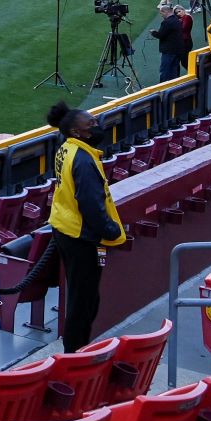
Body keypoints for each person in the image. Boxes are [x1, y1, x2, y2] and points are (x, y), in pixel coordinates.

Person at [46, 100, 128, 353]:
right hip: (80, 236)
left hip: (65, 229)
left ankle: (76, 349)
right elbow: (90, 203)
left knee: (83, 297)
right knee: (84, 302)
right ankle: (74, 355)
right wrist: (111, 230)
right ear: (76, 132)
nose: (97, 125)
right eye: (90, 123)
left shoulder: (68, 148)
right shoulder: (82, 159)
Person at [150, 3, 191, 83]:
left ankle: (163, 89)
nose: (161, 15)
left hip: (169, 51)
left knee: (165, 71)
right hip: (177, 50)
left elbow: (160, 35)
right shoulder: (177, 20)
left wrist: (153, 32)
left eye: (161, 13)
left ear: (165, 12)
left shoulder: (167, 22)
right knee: (174, 71)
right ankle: (174, 88)